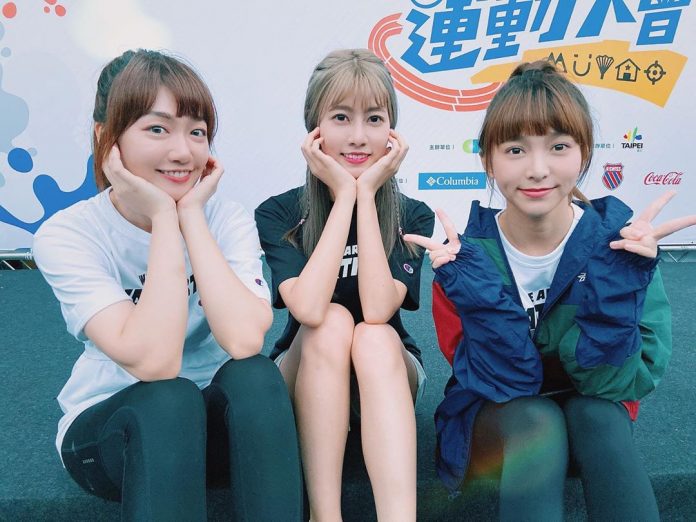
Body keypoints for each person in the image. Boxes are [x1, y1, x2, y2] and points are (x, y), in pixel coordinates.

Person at [405, 60, 696, 521]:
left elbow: (619, 384)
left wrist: (617, 282)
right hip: (501, 421)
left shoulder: (624, 250)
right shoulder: (465, 262)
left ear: (583, 152)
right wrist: (477, 292)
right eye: (515, 150)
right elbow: (499, 383)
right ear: (489, 160)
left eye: (558, 146)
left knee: (597, 415)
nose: (538, 169)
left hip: (592, 417)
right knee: (536, 419)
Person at [32, 49, 302, 521]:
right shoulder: (68, 235)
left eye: (196, 132)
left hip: (218, 426)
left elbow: (243, 340)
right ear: (106, 138)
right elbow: (155, 363)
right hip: (118, 430)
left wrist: (190, 216)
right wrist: (162, 217)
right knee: (168, 398)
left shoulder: (225, 218)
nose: (183, 152)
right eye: (157, 129)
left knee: (257, 375)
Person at [254, 48, 434, 521]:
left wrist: (367, 194)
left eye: (374, 118)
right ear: (314, 128)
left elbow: (377, 309)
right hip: (304, 367)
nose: (358, 136)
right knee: (331, 322)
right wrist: (342, 199)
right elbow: (308, 310)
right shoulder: (278, 212)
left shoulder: (413, 215)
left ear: (392, 130)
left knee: (373, 336)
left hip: (387, 371)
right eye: (340, 117)